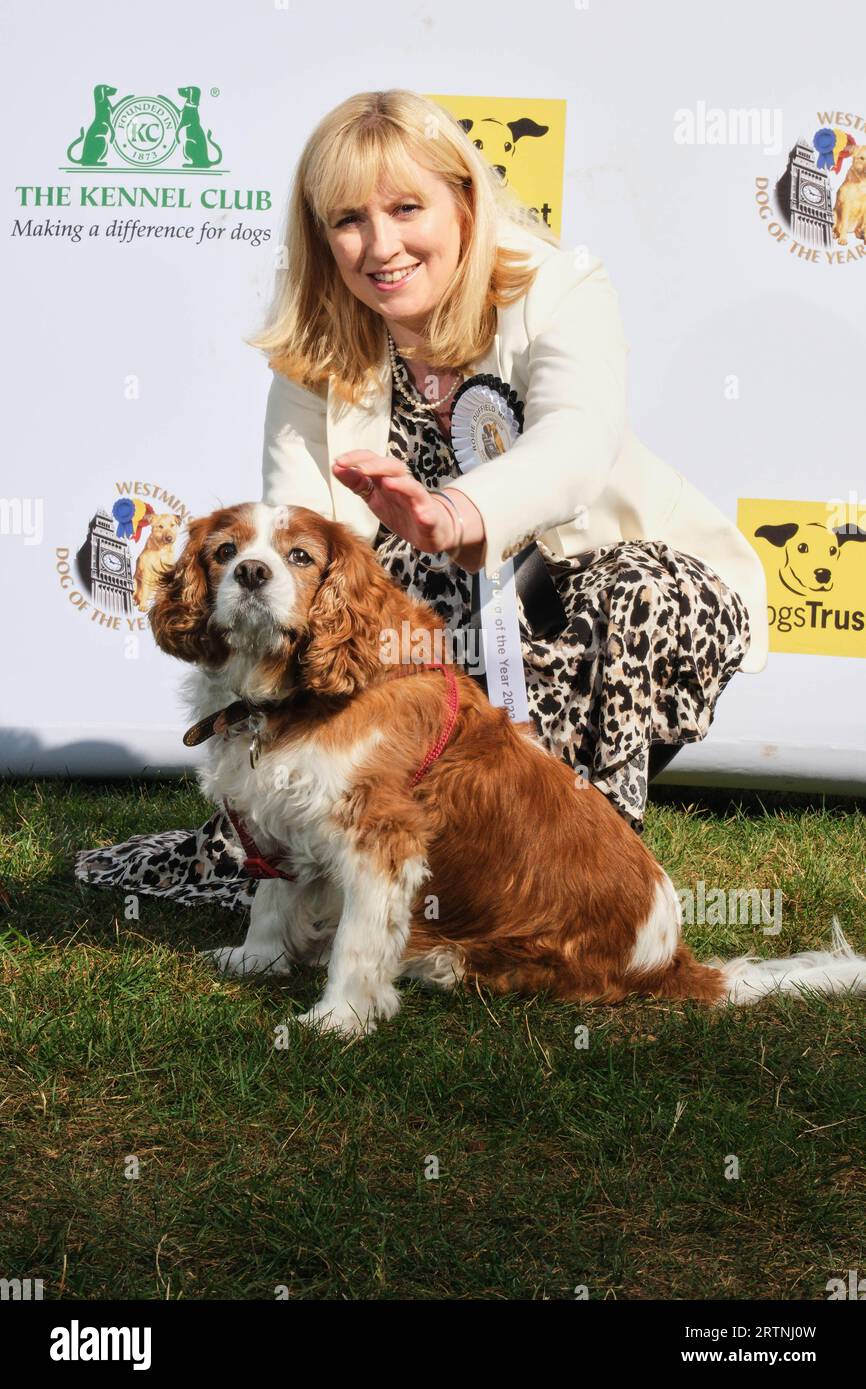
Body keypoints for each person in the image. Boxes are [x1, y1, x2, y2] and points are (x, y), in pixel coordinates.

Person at [75, 88, 767, 916]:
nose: (381, 245)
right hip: (420, 617)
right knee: (362, 611)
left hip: (584, 580)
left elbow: (577, 443)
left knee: (642, 591)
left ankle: (577, 864)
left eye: (407, 208)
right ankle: (385, 859)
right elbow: (299, 531)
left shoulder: (559, 283)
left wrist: (458, 515)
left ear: (466, 202)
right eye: (349, 221)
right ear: (321, 234)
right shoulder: (317, 337)